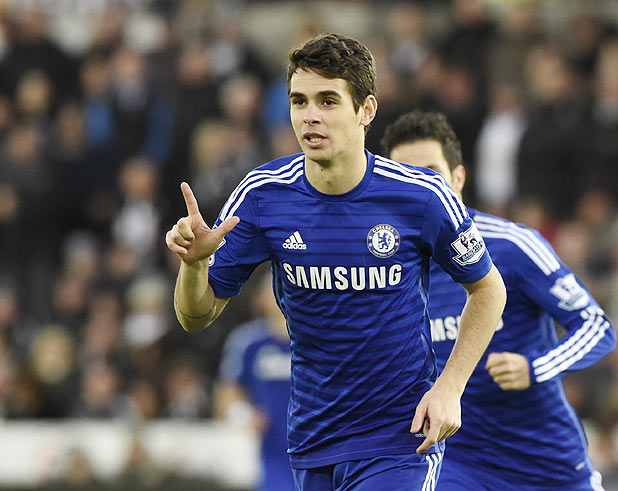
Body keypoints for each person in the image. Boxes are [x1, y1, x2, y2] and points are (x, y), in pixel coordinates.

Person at [165, 33, 506, 491]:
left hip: (399, 440)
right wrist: (193, 266)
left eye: (328, 100)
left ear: (366, 110)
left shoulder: (421, 195)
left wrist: (449, 387)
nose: (310, 116)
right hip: (313, 440)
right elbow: (195, 315)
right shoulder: (263, 195)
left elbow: (489, 288)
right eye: (299, 101)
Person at [381, 110, 616, 491]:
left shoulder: (511, 247)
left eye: (431, 174)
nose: (420, 189)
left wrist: (535, 367)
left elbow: (597, 327)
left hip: (547, 464)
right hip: (456, 466)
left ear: (458, 178)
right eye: (406, 178)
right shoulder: (387, 269)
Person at [215, 272, 293, 491]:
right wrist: (242, 414)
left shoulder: (319, 338)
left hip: (318, 439)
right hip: (271, 447)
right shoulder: (249, 341)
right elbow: (227, 393)